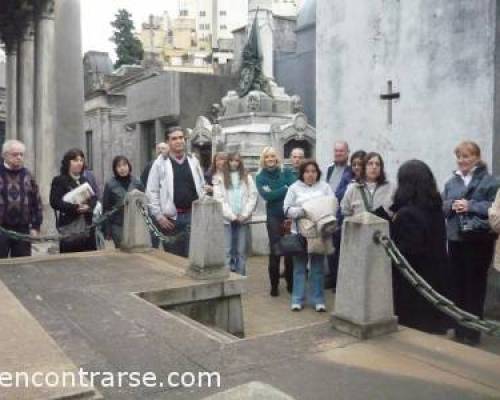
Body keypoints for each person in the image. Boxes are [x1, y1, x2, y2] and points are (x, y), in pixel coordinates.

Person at [442, 141, 499, 346]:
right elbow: (444, 204)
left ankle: (473, 331)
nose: (462, 160)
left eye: (466, 156)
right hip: (456, 238)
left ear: (476, 157)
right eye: (459, 156)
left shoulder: (490, 181)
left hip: (478, 240)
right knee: (457, 284)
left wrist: (470, 205)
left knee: (475, 286)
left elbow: (494, 207)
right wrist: (451, 205)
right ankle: (458, 327)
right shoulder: (451, 182)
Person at [390, 160, 450, 334]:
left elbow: (407, 252)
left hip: (415, 284)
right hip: (436, 276)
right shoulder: (435, 207)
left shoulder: (407, 214)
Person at [146, 127, 205, 257]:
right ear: (168, 142)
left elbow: (201, 186)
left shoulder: (193, 161)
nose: (178, 141)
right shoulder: (160, 164)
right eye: (174, 138)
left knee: (193, 257)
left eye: (181, 137)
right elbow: (152, 191)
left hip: (192, 217)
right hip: (171, 219)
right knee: (173, 260)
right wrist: (159, 216)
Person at [284, 160, 334, 312]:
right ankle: (297, 299)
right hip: (300, 233)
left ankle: (318, 299)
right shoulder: (294, 188)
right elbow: (286, 209)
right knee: (299, 267)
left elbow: (333, 204)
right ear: (302, 173)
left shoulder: (325, 187)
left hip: (319, 233)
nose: (310, 174)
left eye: (313, 171)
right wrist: (304, 211)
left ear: (317, 173)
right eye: (307, 171)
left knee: (317, 267)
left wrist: (321, 210)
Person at [256, 147, 296, 296]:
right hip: (273, 216)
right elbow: (268, 196)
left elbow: (294, 187)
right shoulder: (260, 177)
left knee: (290, 251)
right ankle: (274, 286)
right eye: (267, 157)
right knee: (275, 251)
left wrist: (277, 189)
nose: (270, 159)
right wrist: (284, 187)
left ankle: (291, 285)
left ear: (277, 158)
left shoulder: (286, 171)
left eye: (273, 156)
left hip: (288, 215)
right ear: (263, 159)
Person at [328, 150, 366, 291]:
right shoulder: (347, 176)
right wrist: (350, 186)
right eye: (354, 164)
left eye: (360, 164)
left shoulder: (368, 180)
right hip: (342, 220)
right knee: (336, 252)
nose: (356, 167)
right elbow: (338, 194)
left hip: (360, 223)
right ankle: (336, 281)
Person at [214, 152, 258, 275]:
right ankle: (228, 278)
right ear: (228, 162)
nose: (234, 163)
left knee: (241, 251)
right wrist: (232, 216)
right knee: (227, 251)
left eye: (237, 161)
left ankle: (240, 277)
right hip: (228, 220)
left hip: (243, 219)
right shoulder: (220, 178)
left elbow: (252, 196)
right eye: (232, 160)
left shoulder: (246, 177)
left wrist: (244, 214)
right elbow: (219, 199)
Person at [0, 140, 43, 258]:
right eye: (15, 154)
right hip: (1, 229)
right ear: (4, 155)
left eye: (21, 154)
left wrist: (35, 227)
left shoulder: (28, 175)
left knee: (22, 265)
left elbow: (37, 203)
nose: (19, 157)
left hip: (22, 229)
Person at [50, 149, 97, 253]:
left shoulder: (84, 180)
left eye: (81, 160)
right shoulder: (59, 180)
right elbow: (55, 202)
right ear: (68, 162)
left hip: (87, 225)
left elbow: (93, 197)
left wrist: (88, 206)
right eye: (75, 160)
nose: (79, 163)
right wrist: (75, 208)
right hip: (70, 225)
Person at [102, 156, 144, 248]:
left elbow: (144, 204)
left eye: (124, 165)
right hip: (118, 225)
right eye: (119, 166)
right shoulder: (110, 184)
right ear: (115, 169)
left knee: (136, 251)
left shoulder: (137, 183)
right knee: (122, 252)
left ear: (129, 166)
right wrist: (107, 230)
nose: (122, 168)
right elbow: (106, 208)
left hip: (135, 224)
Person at [341, 152, 394, 220]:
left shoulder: (391, 187)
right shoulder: (353, 188)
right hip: (359, 228)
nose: (374, 167)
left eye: (377, 164)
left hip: (382, 229)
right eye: (370, 164)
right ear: (364, 167)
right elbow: (346, 212)